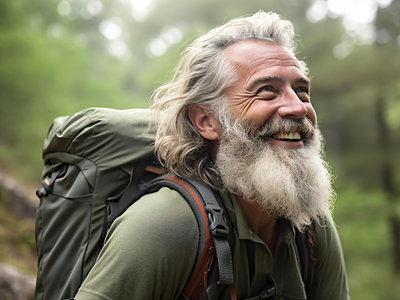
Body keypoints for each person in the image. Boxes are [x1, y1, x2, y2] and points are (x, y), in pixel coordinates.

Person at [75, 11, 350, 300]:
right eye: (267, 91)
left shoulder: (309, 227)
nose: (297, 107)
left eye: (302, 91)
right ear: (206, 121)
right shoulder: (164, 226)